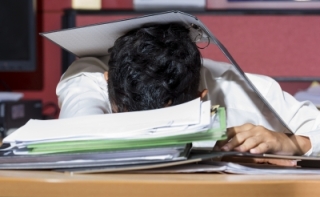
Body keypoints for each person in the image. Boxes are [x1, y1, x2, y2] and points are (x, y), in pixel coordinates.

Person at [56, 23, 320, 158]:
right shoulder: (88, 78)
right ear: (107, 83)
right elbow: (74, 134)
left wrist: (296, 142)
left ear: (201, 98)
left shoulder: (245, 91)